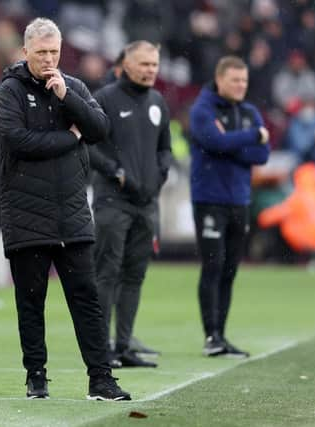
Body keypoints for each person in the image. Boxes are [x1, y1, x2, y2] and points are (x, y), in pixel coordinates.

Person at [0, 17, 130, 401]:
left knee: (86, 299)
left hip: (70, 212)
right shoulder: (10, 92)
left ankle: (100, 379)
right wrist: (70, 140)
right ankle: (36, 376)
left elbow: (100, 129)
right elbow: (18, 142)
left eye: (54, 51)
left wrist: (67, 97)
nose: (49, 58)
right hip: (25, 213)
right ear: (25, 52)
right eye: (41, 52)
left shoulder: (75, 87)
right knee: (31, 300)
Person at [89, 41, 172, 368]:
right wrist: (115, 172)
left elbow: (165, 147)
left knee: (134, 276)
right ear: (124, 64)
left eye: (154, 64)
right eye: (144, 63)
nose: (150, 69)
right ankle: (100, 348)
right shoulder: (105, 99)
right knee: (106, 274)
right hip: (113, 202)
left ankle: (123, 345)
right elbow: (87, 144)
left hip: (146, 203)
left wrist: (162, 172)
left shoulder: (157, 102)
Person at [189, 56, 270, 358]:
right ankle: (210, 336)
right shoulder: (202, 109)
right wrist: (249, 139)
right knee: (212, 266)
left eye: (244, 81)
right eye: (235, 80)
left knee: (230, 270)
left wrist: (230, 143)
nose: (240, 86)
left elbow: (262, 155)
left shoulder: (249, 111)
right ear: (219, 79)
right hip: (209, 199)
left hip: (240, 200)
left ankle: (221, 335)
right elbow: (213, 141)